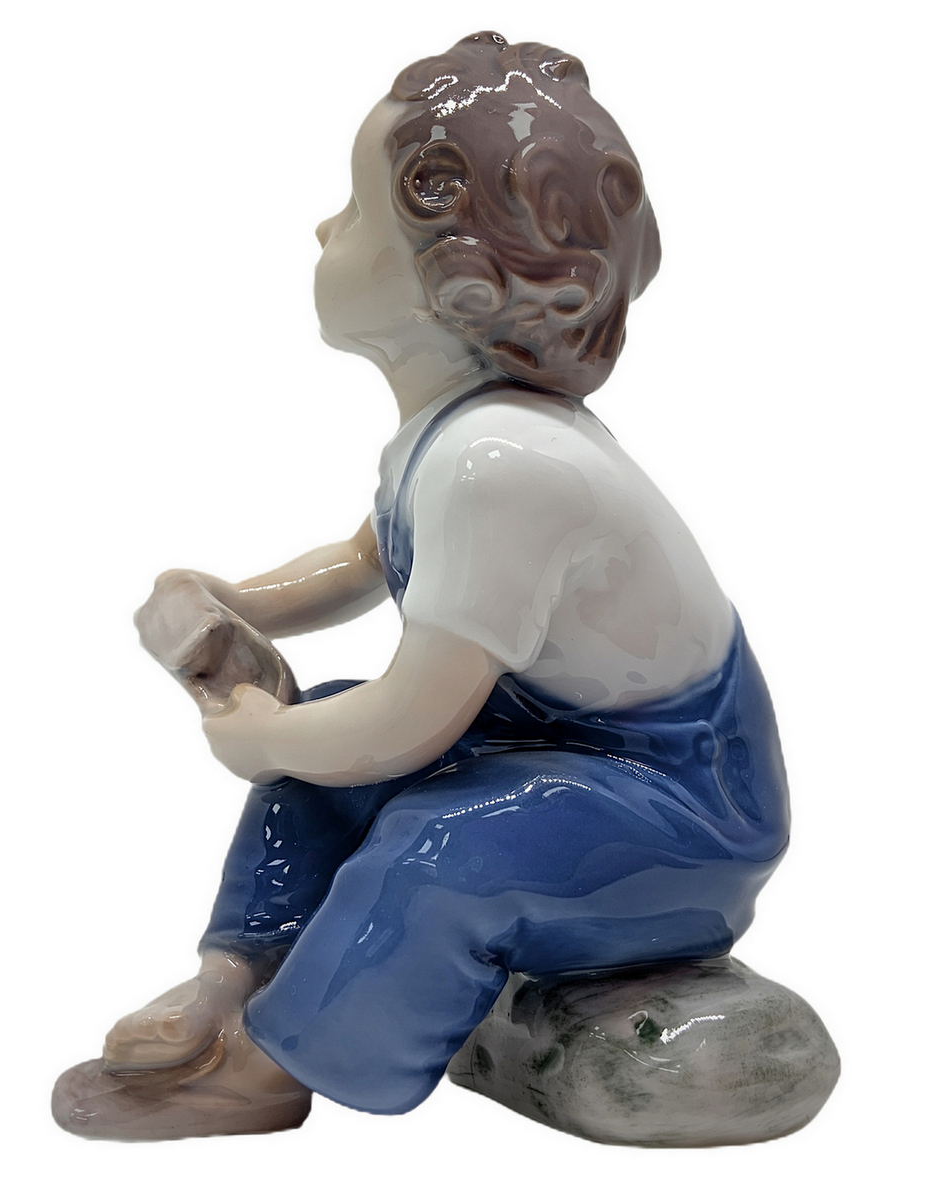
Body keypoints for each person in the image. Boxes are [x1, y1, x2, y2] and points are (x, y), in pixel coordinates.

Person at [53, 32, 789, 1139]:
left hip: (683, 816)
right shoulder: (458, 436)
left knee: (444, 840)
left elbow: (408, 725)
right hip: (565, 755)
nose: (323, 230)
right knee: (325, 740)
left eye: (354, 213)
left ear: (458, 284)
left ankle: (280, 1061)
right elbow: (365, 561)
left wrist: (256, 738)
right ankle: (239, 975)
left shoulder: (503, 466)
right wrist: (236, 602)